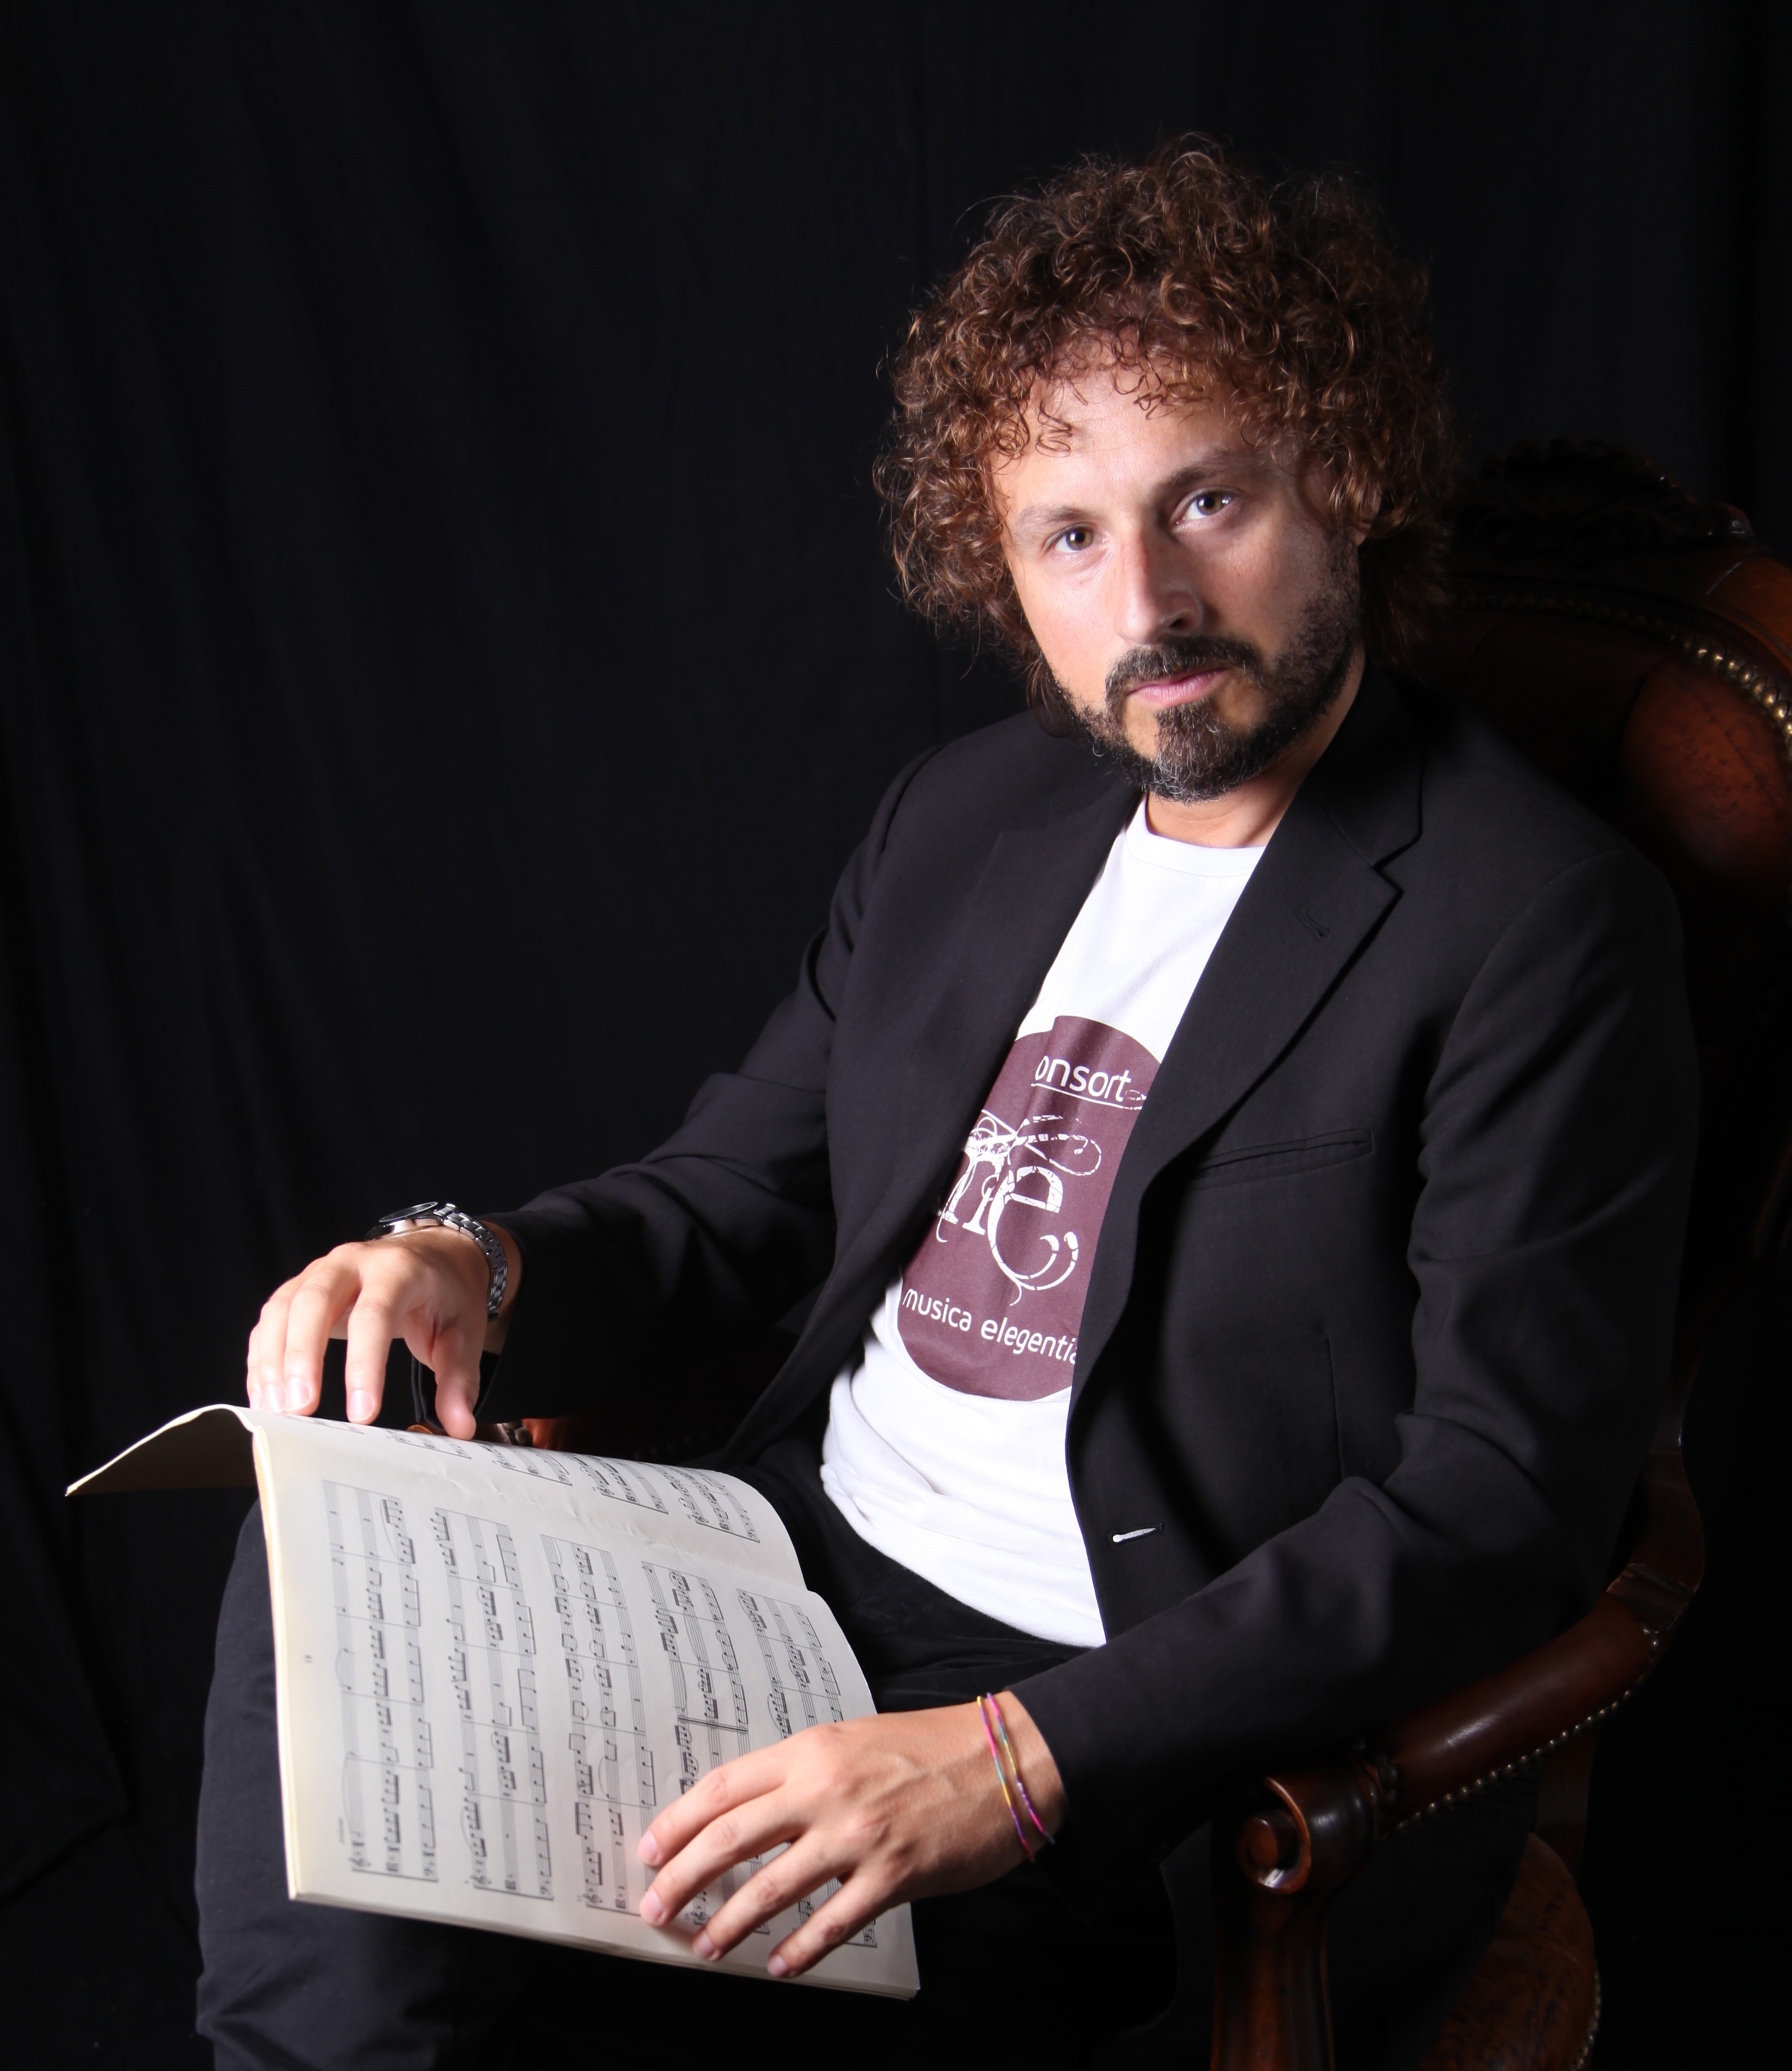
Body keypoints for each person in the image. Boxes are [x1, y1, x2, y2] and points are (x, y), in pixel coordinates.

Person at [196, 140, 1697, 2070]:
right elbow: (734, 1197)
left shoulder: (1536, 922)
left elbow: (1496, 1501)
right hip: (774, 1571)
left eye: (1205, 500)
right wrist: (461, 1261)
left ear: (1345, 477)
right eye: (1066, 535)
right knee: (328, 1557)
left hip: (1110, 1719)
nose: (1145, 599)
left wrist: (1019, 1759)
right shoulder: (967, 817)